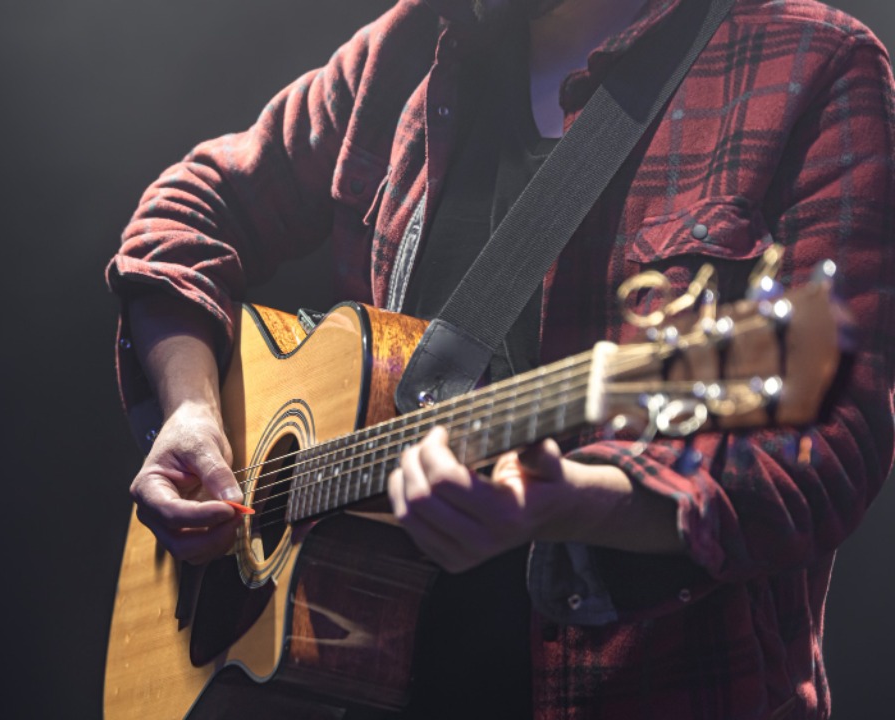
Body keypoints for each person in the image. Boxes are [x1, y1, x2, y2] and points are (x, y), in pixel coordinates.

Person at [106, 0, 895, 717]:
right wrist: (191, 411)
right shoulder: (411, 49)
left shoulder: (811, 65)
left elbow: (834, 441)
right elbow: (185, 216)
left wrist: (575, 502)